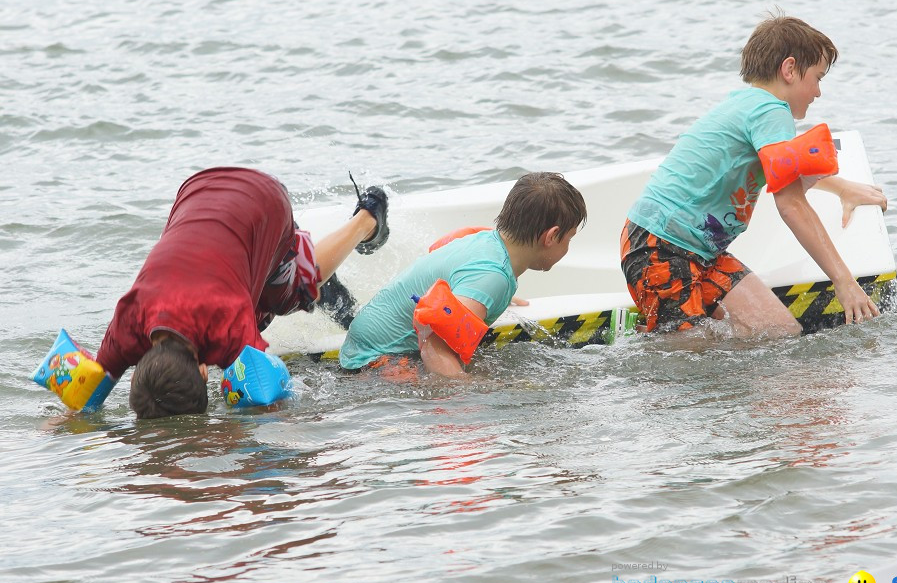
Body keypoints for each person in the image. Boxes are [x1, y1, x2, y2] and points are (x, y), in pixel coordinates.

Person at [621, 14, 888, 337]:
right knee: (688, 363)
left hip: (698, 251)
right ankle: (640, 338)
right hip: (660, 246)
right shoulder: (772, 111)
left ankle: (653, 330)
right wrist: (844, 282)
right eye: (817, 78)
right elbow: (791, 204)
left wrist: (842, 188)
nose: (818, 92)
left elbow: (785, 171)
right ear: (789, 70)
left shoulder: (751, 105)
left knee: (777, 332)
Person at [95, 167, 389, 418]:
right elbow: (86, 387)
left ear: (201, 372)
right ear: (134, 373)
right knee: (252, 284)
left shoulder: (227, 323)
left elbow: (270, 395)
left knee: (284, 297)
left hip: (264, 199)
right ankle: (290, 256)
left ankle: (367, 218)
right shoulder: (127, 325)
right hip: (197, 188)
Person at [339, 172, 587, 379]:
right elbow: (434, 348)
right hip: (374, 362)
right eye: (570, 238)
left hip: (363, 340)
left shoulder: (486, 244)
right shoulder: (492, 278)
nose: (568, 246)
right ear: (551, 236)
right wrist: (467, 390)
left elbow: (458, 282)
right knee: (486, 390)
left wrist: (477, 299)